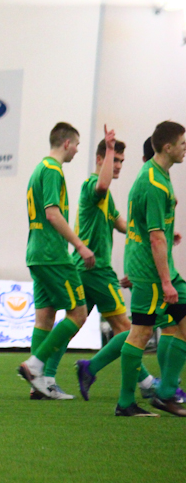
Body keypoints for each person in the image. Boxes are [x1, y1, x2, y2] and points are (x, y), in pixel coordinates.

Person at [74, 135, 165, 400]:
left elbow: (121, 223)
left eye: (121, 161)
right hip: (96, 269)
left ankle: (41, 371)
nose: (118, 166)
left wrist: (155, 232)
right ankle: (145, 383)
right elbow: (102, 185)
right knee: (128, 329)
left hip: (89, 269)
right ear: (100, 159)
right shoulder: (93, 185)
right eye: (114, 159)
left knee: (73, 322)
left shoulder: (107, 197)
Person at [18, 122, 95, 399]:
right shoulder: (52, 170)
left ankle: (39, 385)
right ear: (66, 143)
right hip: (53, 255)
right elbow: (52, 213)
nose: (77, 150)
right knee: (78, 313)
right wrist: (80, 245)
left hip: (36, 254)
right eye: (77, 145)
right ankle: (35, 366)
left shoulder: (38, 169)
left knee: (45, 318)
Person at [116, 121, 186, 416]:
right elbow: (155, 238)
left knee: (160, 328)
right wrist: (166, 282)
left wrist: (169, 234)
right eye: (182, 143)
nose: (185, 148)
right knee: (140, 333)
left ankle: (165, 393)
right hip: (152, 272)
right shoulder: (154, 183)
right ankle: (129, 402)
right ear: (168, 147)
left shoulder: (156, 172)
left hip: (154, 267)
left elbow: (155, 227)